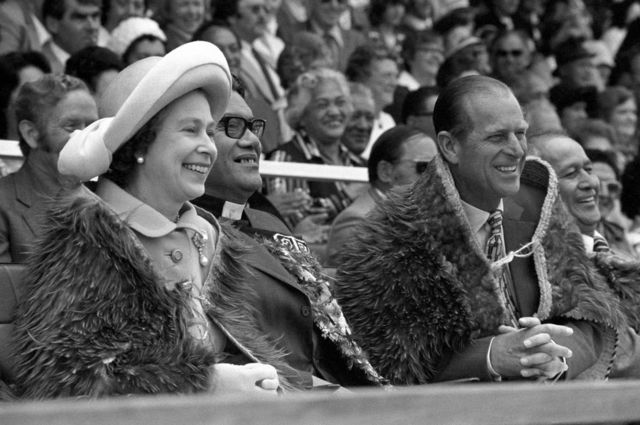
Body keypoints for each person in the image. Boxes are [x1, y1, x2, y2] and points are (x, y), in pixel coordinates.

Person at [11, 41, 279, 398]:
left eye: (209, 130)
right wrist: (206, 385)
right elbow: (68, 382)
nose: (209, 146)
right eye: (190, 130)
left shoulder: (211, 236)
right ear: (139, 144)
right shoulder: (88, 241)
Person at [334, 75, 623, 385]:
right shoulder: (391, 237)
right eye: (497, 137)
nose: (516, 150)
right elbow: (377, 359)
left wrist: (553, 357)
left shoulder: (541, 206)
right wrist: (491, 356)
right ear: (450, 146)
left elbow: (591, 318)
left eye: (521, 133)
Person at [192, 81, 385, 389]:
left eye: (253, 127)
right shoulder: (188, 235)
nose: (252, 140)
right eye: (231, 126)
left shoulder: (268, 220)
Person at [528, 132, 640, 378]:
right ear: (539, 190)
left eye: (588, 169)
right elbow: (616, 353)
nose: (590, 182)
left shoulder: (620, 256)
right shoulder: (543, 269)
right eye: (571, 173)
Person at [0, 74, 98, 263]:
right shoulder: (3, 203)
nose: (85, 137)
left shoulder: (103, 206)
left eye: (93, 127)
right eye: (71, 127)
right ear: (31, 134)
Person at [325, 125, 437, 267]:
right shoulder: (357, 221)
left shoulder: (429, 216)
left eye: (439, 168)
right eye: (424, 167)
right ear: (385, 171)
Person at [266, 68, 361, 231]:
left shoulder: (357, 163)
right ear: (301, 116)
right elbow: (301, 225)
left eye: (340, 102)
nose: (334, 112)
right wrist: (348, 195)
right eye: (322, 105)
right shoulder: (285, 159)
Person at [345, 45, 398, 159]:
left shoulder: (388, 120)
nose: (394, 83)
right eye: (387, 75)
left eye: (395, 76)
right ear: (362, 77)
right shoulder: (345, 116)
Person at [42, 0, 102, 73]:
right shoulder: (38, 71)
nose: (92, 27)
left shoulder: (107, 64)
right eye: (80, 18)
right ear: (53, 24)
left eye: (95, 16)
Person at [340, 82, 375, 158]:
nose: (363, 126)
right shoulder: (314, 163)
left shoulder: (368, 167)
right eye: (355, 116)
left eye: (369, 118)